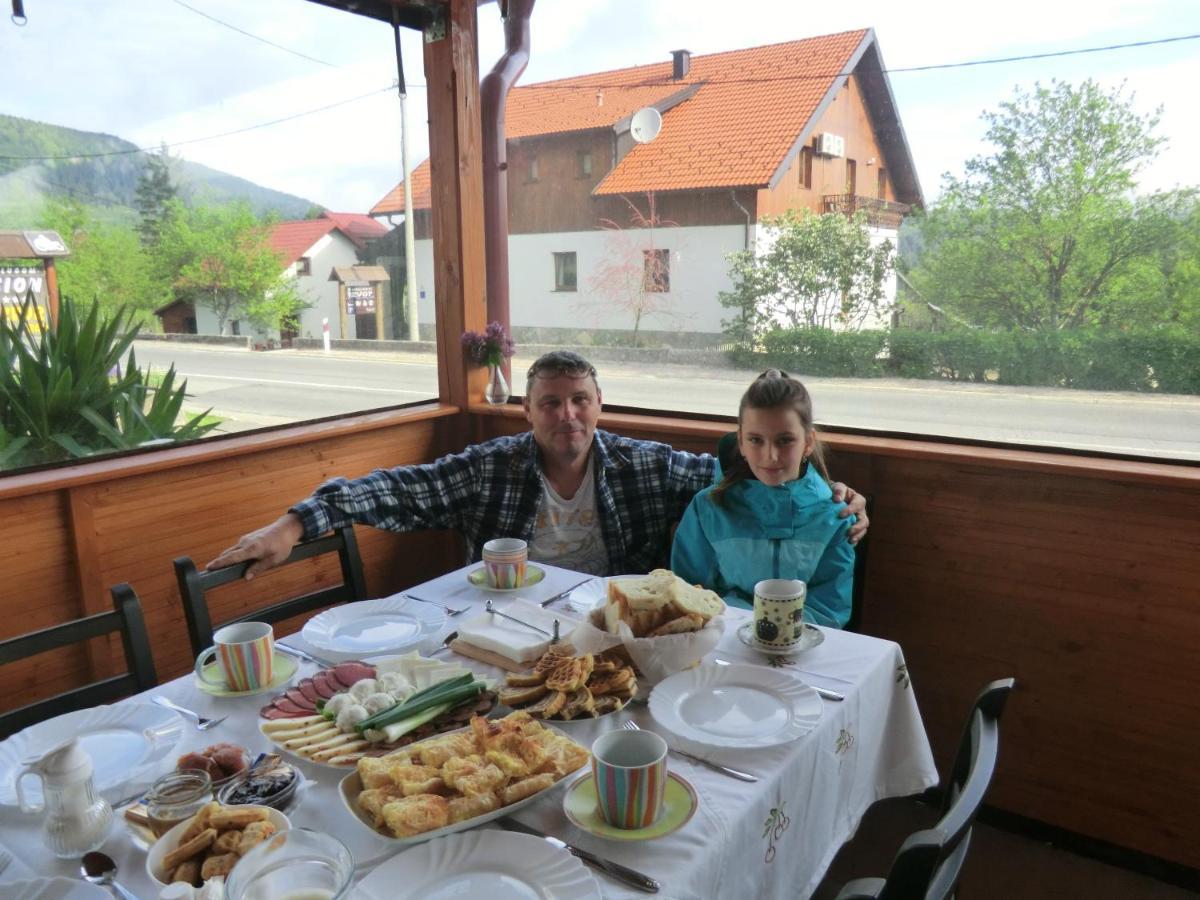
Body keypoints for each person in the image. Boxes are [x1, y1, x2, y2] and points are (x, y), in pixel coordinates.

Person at [206, 351, 868, 579]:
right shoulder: (490, 470)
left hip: (608, 633)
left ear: (600, 405)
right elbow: (397, 489)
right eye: (550, 403)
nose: (567, 417)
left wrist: (832, 491)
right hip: (502, 627)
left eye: (580, 401)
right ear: (527, 410)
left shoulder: (642, 466)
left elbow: (742, 467)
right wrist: (295, 523)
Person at [670, 370, 855, 628]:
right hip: (722, 640)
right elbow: (689, 593)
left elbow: (829, 610)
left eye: (785, 440)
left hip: (800, 647)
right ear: (741, 444)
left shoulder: (834, 517)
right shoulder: (708, 509)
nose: (771, 455)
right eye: (756, 440)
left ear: (808, 442)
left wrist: (774, 634)